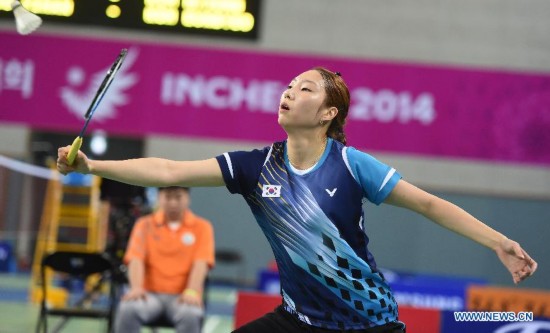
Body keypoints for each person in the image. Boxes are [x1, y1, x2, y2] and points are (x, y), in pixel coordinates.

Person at [57, 67, 537, 333]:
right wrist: (94, 167)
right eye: (288, 86)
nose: (289, 92)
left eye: (304, 89)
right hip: (298, 321)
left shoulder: (351, 165)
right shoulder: (253, 166)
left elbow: (430, 205)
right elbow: (168, 171)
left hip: (365, 324)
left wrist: (498, 241)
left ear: (328, 113)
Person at [114, 186, 214, 333]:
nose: (173, 203)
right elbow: (136, 258)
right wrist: (136, 288)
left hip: (182, 297)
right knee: (128, 308)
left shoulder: (203, 227)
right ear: (159, 197)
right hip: (149, 296)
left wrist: (192, 291)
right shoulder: (144, 224)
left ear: (188, 198)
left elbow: (201, 263)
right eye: (168, 197)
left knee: (191, 314)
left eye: (178, 197)